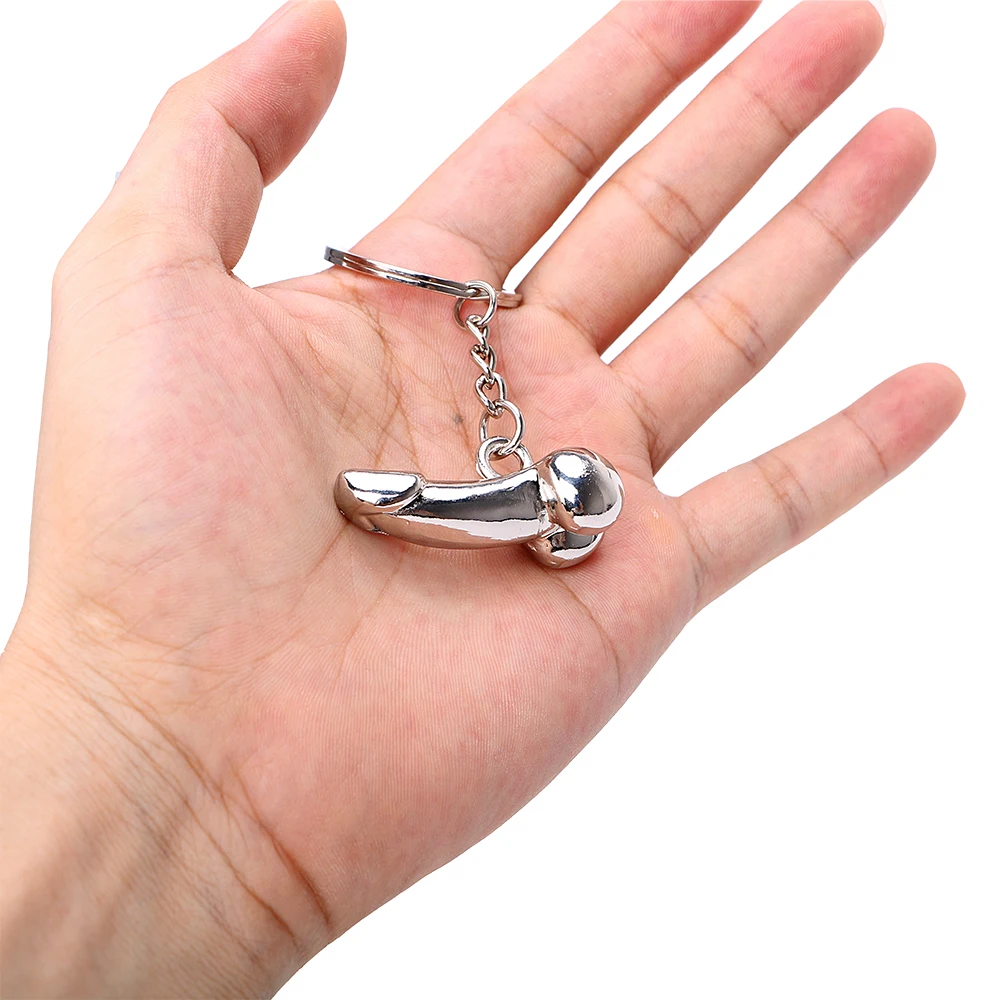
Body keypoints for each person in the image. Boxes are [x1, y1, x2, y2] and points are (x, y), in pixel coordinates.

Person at [0, 1, 964, 996]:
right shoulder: (522, 501)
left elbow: (446, 505)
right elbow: (431, 504)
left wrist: (139, 762)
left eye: (567, 509)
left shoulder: (535, 503)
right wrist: (135, 730)